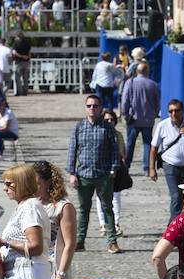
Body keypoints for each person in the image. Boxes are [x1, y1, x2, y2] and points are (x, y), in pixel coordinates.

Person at [66, 94, 122, 254]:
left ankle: (112, 241)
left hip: (104, 175)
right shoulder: (78, 127)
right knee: (83, 210)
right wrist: (72, 173)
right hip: (83, 175)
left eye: (95, 106)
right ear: (85, 108)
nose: (92, 109)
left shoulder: (108, 128)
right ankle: (79, 241)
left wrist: (113, 169)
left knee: (107, 208)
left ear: (100, 108)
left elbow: (115, 151)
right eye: (89, 106)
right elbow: (72, 150)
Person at [149, 99, 184, 222]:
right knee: (176, 197)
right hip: (170, 166)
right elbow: (154, 147)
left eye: (176, 111)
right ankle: (172, 229)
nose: (173, 114)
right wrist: (152, 168)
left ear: (183, 111)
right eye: (170, 111)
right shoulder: (163, 125)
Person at [120, 61, 159, 173]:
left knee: (130, 143)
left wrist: (125, 114)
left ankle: (126, 166)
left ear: (137, 71)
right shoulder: (153, 84)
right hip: (148, 119)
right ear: (147, 71)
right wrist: (155, 113)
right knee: (147, 143)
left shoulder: (130, 83)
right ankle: (147, 167)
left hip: (133, 119)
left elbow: (125, 100)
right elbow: (157, 103)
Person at [97, 109, 125, 237]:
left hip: (115, 170)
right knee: (101, 198)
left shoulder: (118, 135)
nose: (109, 122)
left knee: (116, 197)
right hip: (101, 170)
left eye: (111, 120)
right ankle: (103, 224)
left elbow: (123, 153)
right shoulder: (98, 133)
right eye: (106, 120)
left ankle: (116, 223)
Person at [12, 30, 32, 95]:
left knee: (17, 78)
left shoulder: (16, 43)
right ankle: (25, 91)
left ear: (17, 36)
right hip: (26, 62)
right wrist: (28, 59)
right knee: (25, 78)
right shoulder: (27, 43)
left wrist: (21, 56)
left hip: (18, 62)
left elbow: (14, 52)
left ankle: (19, 92)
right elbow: (29, 53)